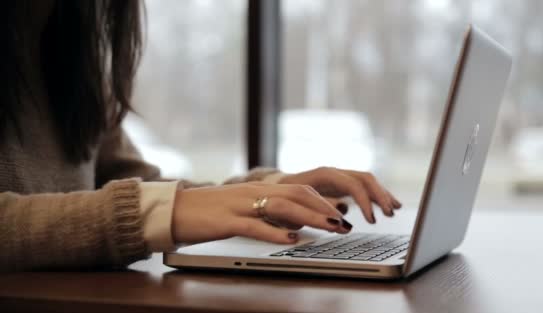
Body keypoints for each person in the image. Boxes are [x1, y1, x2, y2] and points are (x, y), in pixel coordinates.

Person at [0, 0, 401, 272]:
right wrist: (160, 212)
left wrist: (268, 194)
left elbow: (134, 183)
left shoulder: (70, 40)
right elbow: (150, 205)